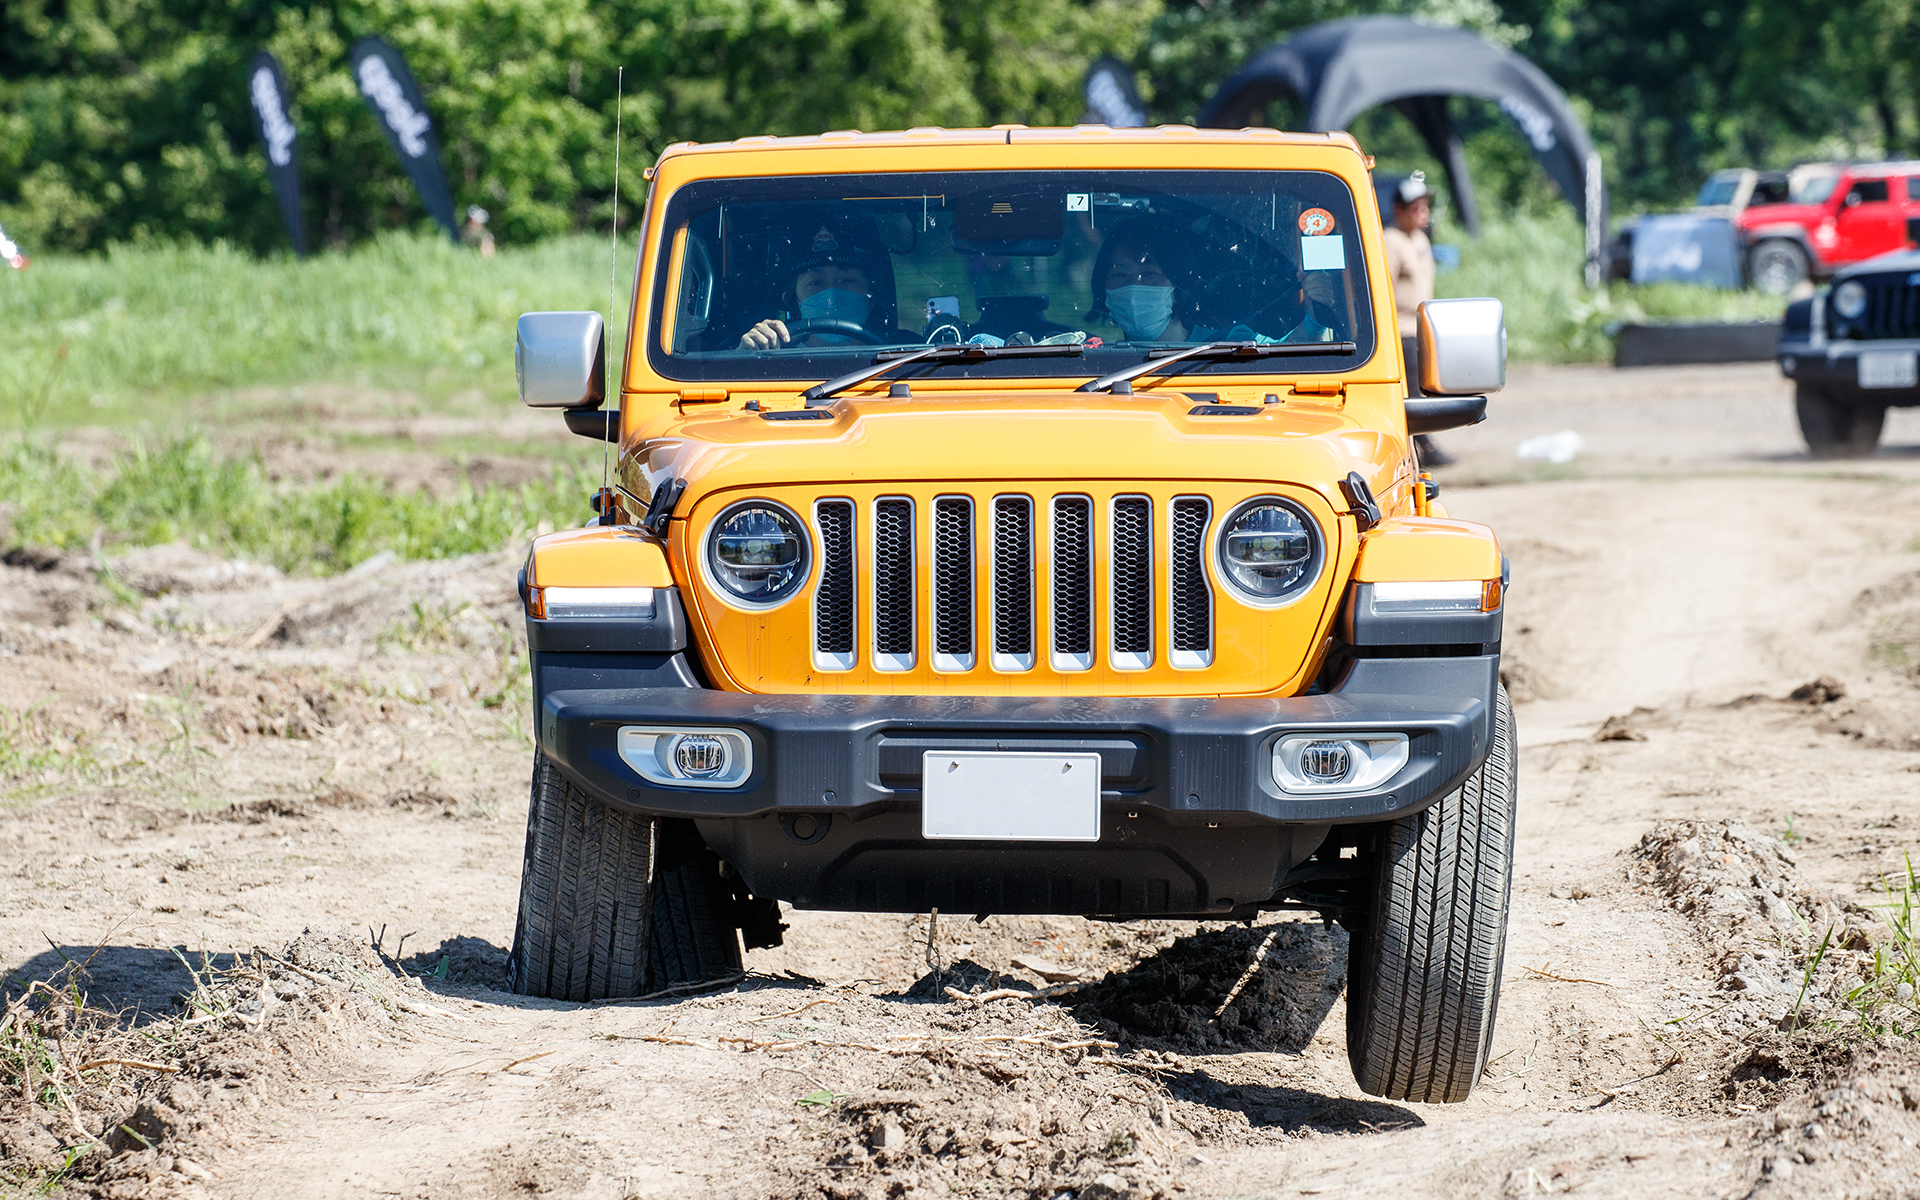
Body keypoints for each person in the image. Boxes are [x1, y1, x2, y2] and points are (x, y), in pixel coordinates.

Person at [1086, 216, 1338, 344]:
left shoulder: (1228, 345)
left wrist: (1315, 320)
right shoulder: (1090, 357)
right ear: (1103, 288)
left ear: (1180, 285)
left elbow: (1286, 352)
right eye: (1119, 275)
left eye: (1150, 275)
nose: (1133, 287)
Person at [1382, 172, 1452, 466]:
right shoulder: (1391, 241)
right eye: (1416, 208)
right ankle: (1423, 448)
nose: (1423, 213)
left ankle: (1423, 446)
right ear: (1399, 210)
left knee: (1422, 389)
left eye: (1425, 206)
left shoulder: (1420, 239)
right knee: (1411, 394)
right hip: (1401, 327)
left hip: (1421, 327)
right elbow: (1384, 285)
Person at [739, 226, 889, 349]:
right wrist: (748, 353)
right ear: (792, 301)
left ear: (872, 296)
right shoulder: (772, 356)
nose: (831, 296)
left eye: (847, 280)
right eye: (816, 283)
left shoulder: (906, 355)